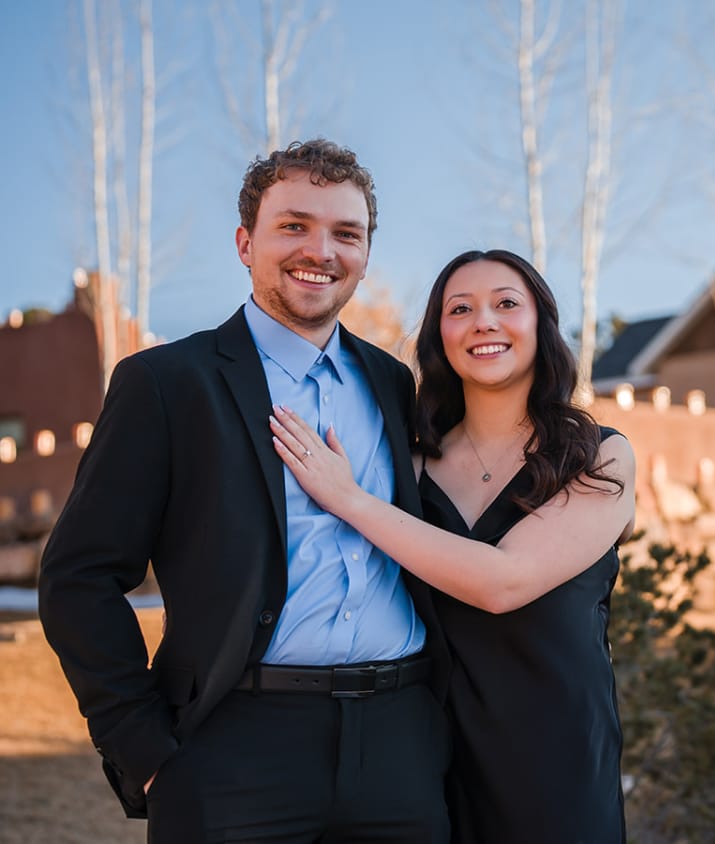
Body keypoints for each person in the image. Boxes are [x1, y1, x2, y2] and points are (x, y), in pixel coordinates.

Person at [38, 139, 451, 842]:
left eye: (345, 233)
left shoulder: (393, 383)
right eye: (294, 225)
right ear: (244, 243)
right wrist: (142, 748)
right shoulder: (167, 385)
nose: (320, 249)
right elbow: (78, 577)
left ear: (366, 253)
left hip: (399, 744)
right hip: (233, 751)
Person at [268, 248, 635, 842]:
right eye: (460, 309)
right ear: (440, 336)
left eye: (506, 304)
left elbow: (503, 582)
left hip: (557, 763)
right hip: (425, 762)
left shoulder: (598, 456)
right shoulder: (408, 466)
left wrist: (352, 501)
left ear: (540, 323)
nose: (484, 321)